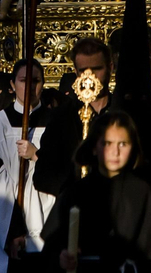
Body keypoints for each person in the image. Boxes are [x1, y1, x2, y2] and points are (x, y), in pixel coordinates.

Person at [40, 111, 151, 272]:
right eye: (107, 143)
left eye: (123, 144)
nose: (115, 152)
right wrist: (62, 258)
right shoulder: (76, 193)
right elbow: (51, 251)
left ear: (133, 147)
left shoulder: (142, 193)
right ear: (94, 147)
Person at [0, 58, 56, 273]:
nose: (30, 87)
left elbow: (61, 172)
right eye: (23, 80)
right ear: (12, 85)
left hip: (48, 216)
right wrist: (14, 231)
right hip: (9, 222)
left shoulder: (56, 121)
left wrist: (35, 155)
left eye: (36, 81)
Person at [34, 38, 122, 198]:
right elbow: (43, 175)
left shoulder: (124, 114)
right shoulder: (61, 117)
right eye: (83, 71)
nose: (90, 77)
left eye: (97, 69)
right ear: (76, 72)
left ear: (110, 68)